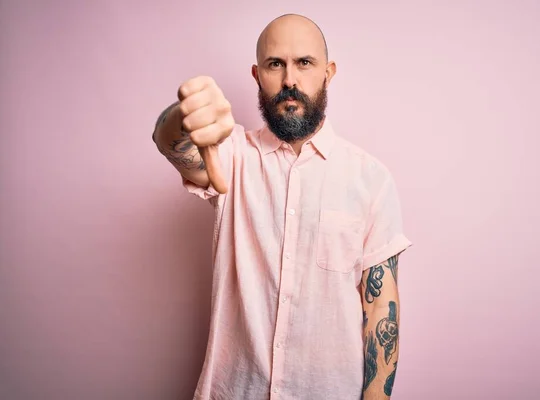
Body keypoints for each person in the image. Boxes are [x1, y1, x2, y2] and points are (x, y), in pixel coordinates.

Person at [152, 13, 412, 400]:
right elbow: (172, 142)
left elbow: (380, 313)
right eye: (276, 64)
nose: (290, 79)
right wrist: (184, 117)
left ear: (329, 72)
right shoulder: (231, 155)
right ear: (257, 76)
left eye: (304, 63)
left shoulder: (370, 179)